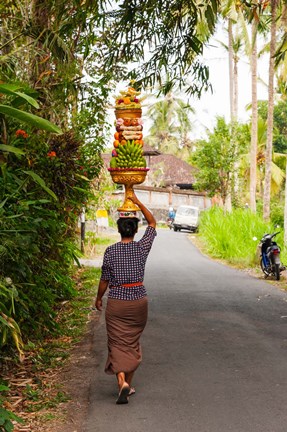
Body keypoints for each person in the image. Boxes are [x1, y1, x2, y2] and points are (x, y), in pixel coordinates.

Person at [95, 192, 157, 405]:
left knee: (116, 343)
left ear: (119, 229)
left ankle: (121, 381)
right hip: (139, 302)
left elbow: (104, 280)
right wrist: (138, 202)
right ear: (135, 229)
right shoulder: (141, 248)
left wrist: (98, 298)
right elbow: (153, 222)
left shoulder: (110, 251)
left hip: (117, 303)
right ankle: (126, 385)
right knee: (132, 343)